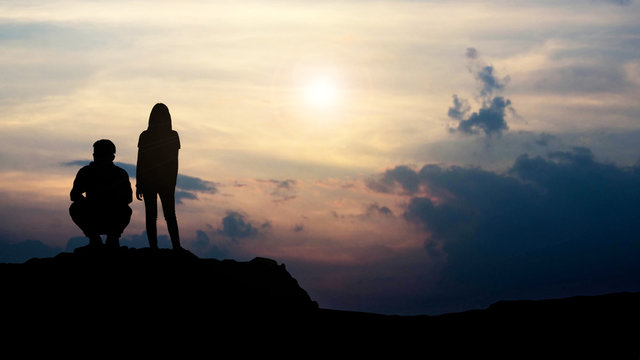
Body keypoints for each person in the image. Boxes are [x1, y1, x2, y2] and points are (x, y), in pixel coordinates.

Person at [70, 139, 133, 248]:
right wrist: (89, 203)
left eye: (104, 155)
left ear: (112, 157)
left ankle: (112, 239)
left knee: (126, 210)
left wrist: (111, 201)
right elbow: (74, 195)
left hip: (113, 214)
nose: (100, 158)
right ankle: (95, 240)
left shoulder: (120, 174)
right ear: (94, 155)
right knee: (75, 208)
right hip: (92, 214)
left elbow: (128, 198)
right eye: (98, 154)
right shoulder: (86, 172)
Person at [136, 103, 182, 250]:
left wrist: (139, 183)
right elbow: (142, 161)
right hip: (160, 181)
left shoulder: (148, 136)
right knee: (167, 215)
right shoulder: (169, 135)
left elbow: (141, 161)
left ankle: (166, 247)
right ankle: (171, 247)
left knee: (156, 216)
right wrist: (139, 184)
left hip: (158, 181)